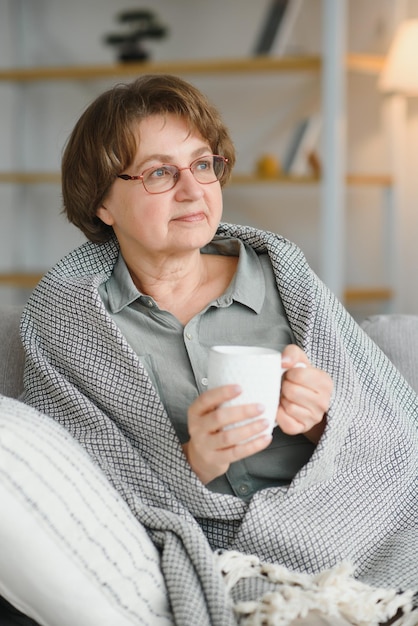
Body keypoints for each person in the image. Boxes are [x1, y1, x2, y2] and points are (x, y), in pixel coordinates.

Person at [19, 74, 418, 606]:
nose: (193, 190)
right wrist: (194, 461)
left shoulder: (283, 276)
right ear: (102, 203)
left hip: (353, 536)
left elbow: (393, 434)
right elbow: (79, 483)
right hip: (211, 554)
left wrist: (324, 419)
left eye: (203, 164)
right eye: (161, 172)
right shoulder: (71, 319)